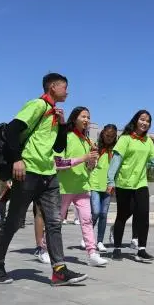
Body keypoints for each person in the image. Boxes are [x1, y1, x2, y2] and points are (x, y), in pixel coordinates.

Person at [0, 73, 88, 286]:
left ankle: (59, 270)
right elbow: (12, 130)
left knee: (54, 222)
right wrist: (17, 160)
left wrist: (61, 124)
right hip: (28, 171)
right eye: (64, 87)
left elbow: (58, 147)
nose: (67, 92)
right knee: (14, 221)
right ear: (52, 87)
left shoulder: (55, 114)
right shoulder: (37, 105)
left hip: (49, 174)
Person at [107, 110, 154, 262]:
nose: (145, 123)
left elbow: (153, 161)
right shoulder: (125, 139)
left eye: (147, 121)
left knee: (143, 215)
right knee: (122, 215)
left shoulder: (148, 142)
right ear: (136, 120)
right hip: (124, 183)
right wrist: (110, 181)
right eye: (142, 119)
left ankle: (141, 249)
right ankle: (117, 248)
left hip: (141, 183)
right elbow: (116, 160)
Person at [55, 106, 107, 267]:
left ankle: (92, 253)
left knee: (87, 220)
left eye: (88, 117)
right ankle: (44, 248)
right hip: (64, 187)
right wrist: (83, 157)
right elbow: (58, 163)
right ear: (74, 118)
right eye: (83, 116)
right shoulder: (65, 136)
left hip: (83, 187)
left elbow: (88, 167)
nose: (87, 120)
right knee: (56, 222)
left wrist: (91, 162)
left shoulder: (87, 140)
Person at [89, 124, 118, 251]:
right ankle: (88, 237)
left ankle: (100, 241)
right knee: (95, 212)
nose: (109, 138)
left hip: (108, 185)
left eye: (112, 136)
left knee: (103, 214)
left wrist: (113, 184)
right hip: (95, 184)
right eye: (107, 135)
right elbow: (89, 165)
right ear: (102, 134)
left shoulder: (116, 151)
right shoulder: (96, 147)